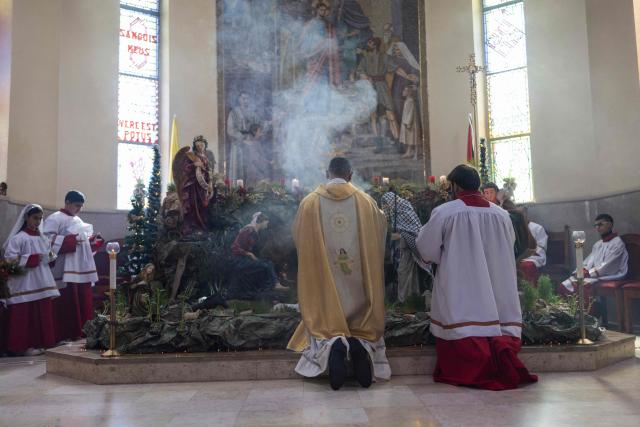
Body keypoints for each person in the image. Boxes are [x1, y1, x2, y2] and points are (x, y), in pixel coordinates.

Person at [416, 165, 537, 390]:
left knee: (462, 314)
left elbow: (427, 249)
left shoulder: (445, 212)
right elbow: (510, 245)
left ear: (455, 186)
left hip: (460, 281)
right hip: (496, 281)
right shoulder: (501, 215)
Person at [287, 157, 390, 390]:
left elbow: (298, 237)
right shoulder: (366, 202)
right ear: (350, 175)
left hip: (325, 278)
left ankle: (334, 342)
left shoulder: (310, 203)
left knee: (323, 321)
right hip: (357, 278)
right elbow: (380, 234)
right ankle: (360, 344)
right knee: (362, 321)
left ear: (327, 173)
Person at [43, 191, 102, 342]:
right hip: (63, 269)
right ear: (67, 202)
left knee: (82, 299)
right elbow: (45, 241)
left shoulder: (77, 219)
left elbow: (82, 243)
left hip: (80, 268)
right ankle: (65, 334)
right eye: (77, 205)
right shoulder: (55, 218)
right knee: (67, 302)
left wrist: (92, 242)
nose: (79, 209)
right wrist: (70, 241)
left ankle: (82, 332)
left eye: (81, 206)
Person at [2, 204, 60, 355]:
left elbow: (48, 257)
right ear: (26, 218)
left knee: (43, 314)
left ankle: (43, 343)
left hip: (42, 280)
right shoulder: (18, 238)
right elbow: (10, 260)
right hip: (25, 282)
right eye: (35, 218)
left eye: (40, 219)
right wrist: (34, 258)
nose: (38, 221)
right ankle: (22, 347)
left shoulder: (43, 238)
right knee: (24, 315)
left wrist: (50, 257)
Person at [561, 214, 628, 299]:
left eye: (600, 224)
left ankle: (586, 312)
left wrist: (587, 273)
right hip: (595, 275)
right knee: (565, 285)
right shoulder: (598, 244)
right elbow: (589, 261)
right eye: (595, 225)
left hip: (610, 274)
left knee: (582, 285)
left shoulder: (617, 243)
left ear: (610, 225)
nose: (597, 227)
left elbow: (607, 265)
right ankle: (570, 312)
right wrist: (580, 270)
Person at [380, 191, 429, 302]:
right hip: (400, 252)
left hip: (408, 252)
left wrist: (400, 237)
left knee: (405, 274)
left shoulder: (405, 211)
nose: (386, 207)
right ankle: (409, 299)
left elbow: (415, 234)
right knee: (403, 274)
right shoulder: (395, 214)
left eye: (387, 204)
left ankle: (405, 299)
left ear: (392, 202)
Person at [228, 212, 287, 300]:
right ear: (261, 222)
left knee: (267, 263)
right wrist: (249, 254)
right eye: (266, 222)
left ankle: (272, 288)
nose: (267, 224)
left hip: (245, 260)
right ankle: (275, 285)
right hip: (238, 261)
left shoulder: (255, 233)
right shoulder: (249, 230)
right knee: (267, 264)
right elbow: (234, 247)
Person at [357, 37, 400, 143]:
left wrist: (408, 76)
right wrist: (366, 77)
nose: (368, 45)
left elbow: (396, 69)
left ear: (375, 45)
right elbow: (360, 72)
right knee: (373, 115)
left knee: (390, 113)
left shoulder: (385, 57)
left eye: (370, 43)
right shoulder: (365, 59)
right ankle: (378, 141)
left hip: (382, 86)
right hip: (370, 88)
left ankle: (398, 140)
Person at [176, 135, 214, 234]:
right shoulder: (191, 156)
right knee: (193, 205)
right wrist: (194, 165)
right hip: (193, 185)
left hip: (203, 185)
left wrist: (210, 183)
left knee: (203, 205)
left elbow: (208, 171)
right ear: (195, 146)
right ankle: (193, 227)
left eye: (202, 144)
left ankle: (201, 227)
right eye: (198, 145)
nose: (200, 146)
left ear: (205, 145)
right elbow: (185, 168)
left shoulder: (206, 157)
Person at [519, 210, 548, 285]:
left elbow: (541, 246)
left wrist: (529, 253)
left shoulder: (537, 228)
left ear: (526, 214)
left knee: (527, 266)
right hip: (518, 257)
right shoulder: (515, 227)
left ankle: (530, 290)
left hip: (534, 257)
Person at [399, 85, 420, 159]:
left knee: (412, 138)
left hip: (410, 123)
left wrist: (407, 123)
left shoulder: (410, 101)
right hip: (406, 122)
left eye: (405, 91)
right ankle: (409, 152)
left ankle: (414, 153)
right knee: (409, 138)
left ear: (409, 92)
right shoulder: (407, 100)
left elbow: (410, 113)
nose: (403, 92)